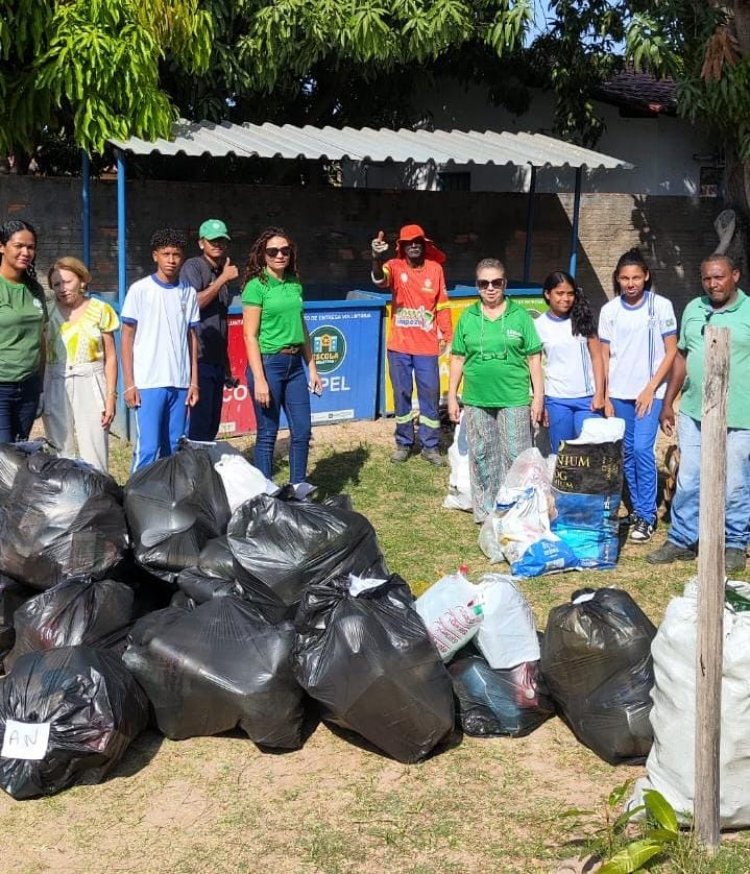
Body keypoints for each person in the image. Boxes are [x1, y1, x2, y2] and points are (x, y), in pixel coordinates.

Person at [648, 254, 750, 573]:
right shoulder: (694, 308)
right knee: (689, 478)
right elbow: (681, 357)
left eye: (719, 277)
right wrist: (668, 401)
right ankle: (681, 538)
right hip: (695, 412)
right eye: (707, 278)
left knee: (734, 482)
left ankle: (734, 542)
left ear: (735, 276)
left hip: (740, 414)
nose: (712, 284)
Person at [447, 258, 544, 523]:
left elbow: (534, 358)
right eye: (484, 283)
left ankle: (517, 513)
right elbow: (457, 358)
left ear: (505, 284)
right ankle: (486, 513)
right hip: (477, 398)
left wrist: (538, 398)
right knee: (482, 456)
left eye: (496, 282)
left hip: (513, 397)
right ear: (477, 286)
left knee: (516, 456)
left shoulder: (520, 316)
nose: (490, 288)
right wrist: (452, 395)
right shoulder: (468, 317)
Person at [599, 249, 677, 544]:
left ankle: (647, 515)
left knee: (644, 450)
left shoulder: (661, 306)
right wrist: (606, 394)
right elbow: (605, 355)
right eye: (624, 278)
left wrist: (650, 388)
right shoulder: (610, 311)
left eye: (636, 277)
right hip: (619, 394)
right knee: (627, 453)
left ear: (646, 276)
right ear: (617, 280)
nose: (630, 283)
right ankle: (636, 510)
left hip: (650, 393)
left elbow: (671, 352)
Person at [241, 227, 322, 488]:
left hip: (295, 363)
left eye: (284, 251)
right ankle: (265, 493)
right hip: (268, 364)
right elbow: (249, 336)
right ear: (263, 255)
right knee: (267, 433)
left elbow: (302, 326)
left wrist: (312, 367)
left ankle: (298, 487)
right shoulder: (256, 286)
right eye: (273, 251)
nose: (279, 255)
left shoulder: (294, 282)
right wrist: (260, 379)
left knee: (302, 430)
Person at [371, 224, 452, 465]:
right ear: (402, 247)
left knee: (430, 395)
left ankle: (430, 446)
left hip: (426, 347)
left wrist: (447, 335)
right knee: (402, 394)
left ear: (424, 244)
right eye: (409, 242)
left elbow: (442, 305)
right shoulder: (394, 267)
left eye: (418, 241)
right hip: (399, 346)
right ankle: (404, 443)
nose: (414, 245)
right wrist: (376, 258)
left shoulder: (436, 269)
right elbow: (379, 279)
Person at [120, 228, 200, 472]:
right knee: (148, 448)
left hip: (179, 383)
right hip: (148, 382)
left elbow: (192, 338)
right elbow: (126, 337)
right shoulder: (140, 290)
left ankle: (167, 500)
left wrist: (193, 382)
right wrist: (130, 383)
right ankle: (134, 498)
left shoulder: (188, 292)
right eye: (166, 254)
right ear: (155, 256)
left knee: (173, 447)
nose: (171, 260)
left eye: (176, 254)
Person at [43, 257, 119, 472]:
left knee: (94, 448)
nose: (62, 289)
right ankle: (64, 499)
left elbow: (111, 357)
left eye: (67, 282)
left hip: (91, 379)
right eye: (56, 284)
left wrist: (111, 397)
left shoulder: (100, 310)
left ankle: (98, 498)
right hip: (56, 380)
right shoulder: (47, 312)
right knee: (59, 448)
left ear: (82, 280)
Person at [180, 219, 239, 441]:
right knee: (198, 427)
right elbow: (193, 303)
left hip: (215, 362)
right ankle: (193, 473)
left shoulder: (218, 271)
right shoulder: (193, 267)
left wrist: (227, 367)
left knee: (212, 425)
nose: (218, 244)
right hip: (198, 360)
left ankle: (203, 470)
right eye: (212, 240)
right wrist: (224, 278)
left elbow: (220, 325)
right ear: (201, 243)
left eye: (222, 240)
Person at [535, 270, 604, 453]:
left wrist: (600, 393)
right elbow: (535, 367)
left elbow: (598, 358)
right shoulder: (539, 326)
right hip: (557, 401)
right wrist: (540, 401)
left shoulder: (583, 321)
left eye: (570, 293)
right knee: (563, 455)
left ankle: (588, 484)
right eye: (560, 293)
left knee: (591, 452)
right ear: (547, 294)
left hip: (588, 400)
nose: (565, 298)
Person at [0, 219, 47, 443]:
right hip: (2, 386)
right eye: (19, 246)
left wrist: (41, 384)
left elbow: (42, 339)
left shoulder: (35, 289)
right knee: (4, 457)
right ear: (2, 246)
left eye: (30, 247)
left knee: (19, 452)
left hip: (29, 387)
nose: (25, 252)